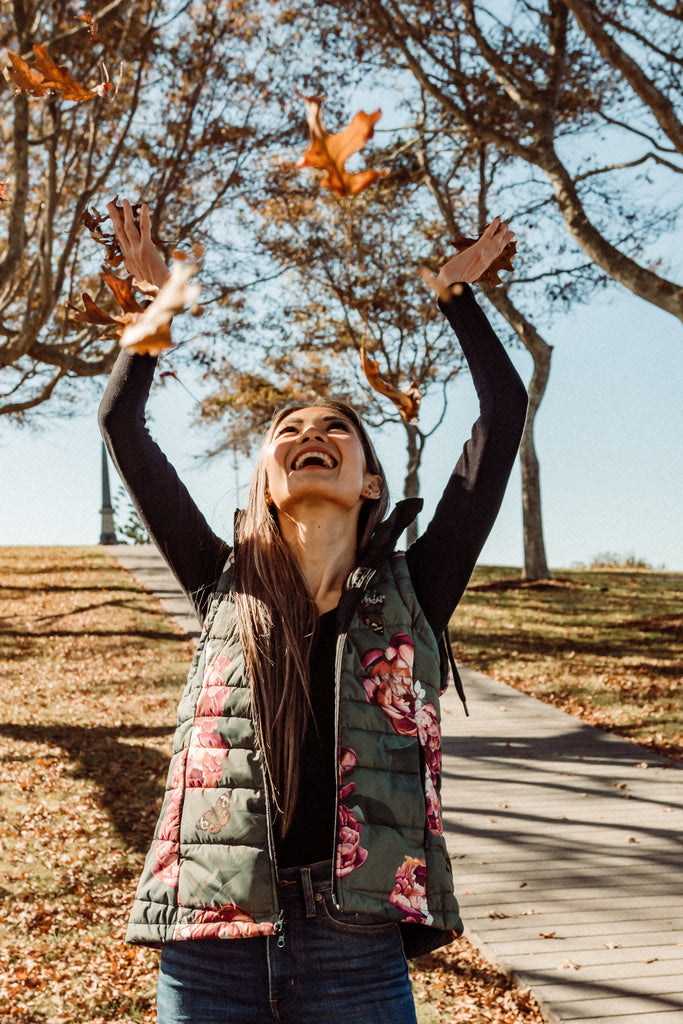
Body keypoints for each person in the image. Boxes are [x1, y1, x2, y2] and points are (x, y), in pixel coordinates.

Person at [99, 200, 527, 1024]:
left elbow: (500, 416)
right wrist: (157, 307)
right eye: (288, 429)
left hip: (354, 942)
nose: (309, 433)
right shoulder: (222, 582)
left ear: (370, 479)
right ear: (266, 479)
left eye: (336, 428)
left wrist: (453, 296)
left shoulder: (416, 588)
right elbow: (122, 425)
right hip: (208, 942)